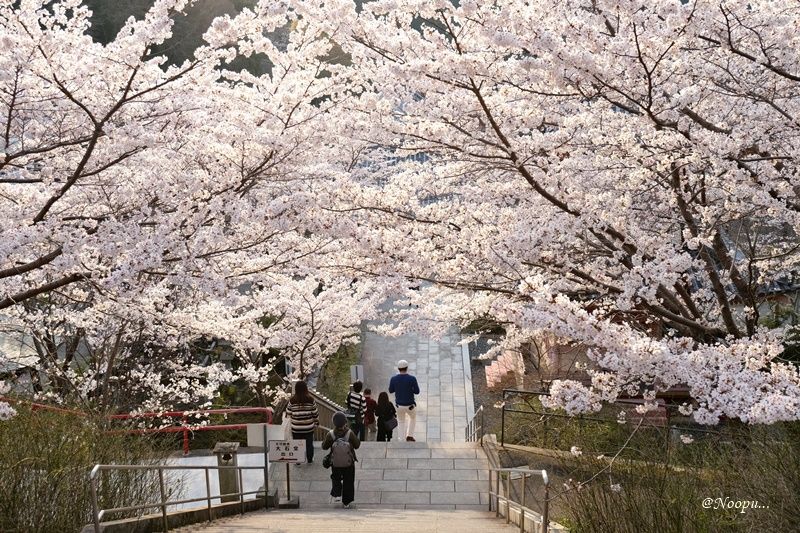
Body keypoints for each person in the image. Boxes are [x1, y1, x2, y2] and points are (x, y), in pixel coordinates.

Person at [322, 411, 360, 508]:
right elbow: (357, 445)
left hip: (336, 463)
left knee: (336, 477)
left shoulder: (330, 434)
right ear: (345, 422)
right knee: (349, 480)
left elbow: (324, 447)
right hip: (349, 462)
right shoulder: (349, 433)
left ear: (334, 422)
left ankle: (337, 493)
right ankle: (346, 502)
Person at [285, 380, 319, 464]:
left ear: (296, 389)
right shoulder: (311, 399)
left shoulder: (292, 400)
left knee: (297, 444)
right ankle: (310, 459)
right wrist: (316, 421)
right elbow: (315, 413)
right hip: (308, 427)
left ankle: (298, 460)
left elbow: (288, 413)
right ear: (306, 389)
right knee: (309, 444)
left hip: (296, 427)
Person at [388, 359, 420, 441]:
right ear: (407, 368)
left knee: (401, 421)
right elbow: (417, 391)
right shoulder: (412, 379)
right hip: (410, 405)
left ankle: (401, 439)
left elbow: (391, 390)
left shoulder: (393, 379)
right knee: (413, 418)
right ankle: (409, 435)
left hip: (399, 405)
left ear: (398, 369)